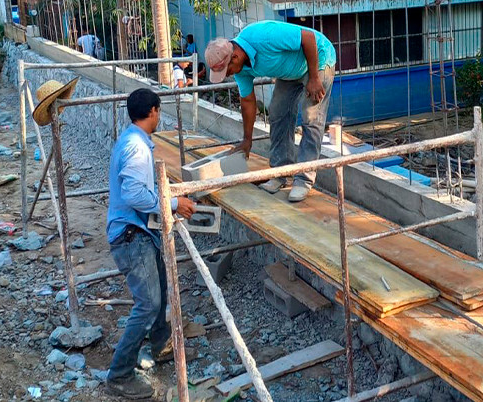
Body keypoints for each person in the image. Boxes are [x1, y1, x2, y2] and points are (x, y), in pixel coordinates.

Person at [104, 88, 196, 399]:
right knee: (148, 304)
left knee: (160, 290)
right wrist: (173, 203)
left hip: (139, 231)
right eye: (159, 112)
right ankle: (119, 374)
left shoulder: (132, 140)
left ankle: (161, 345)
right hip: (131, 236)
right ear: (154, 111)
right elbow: (134, 195)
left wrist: (169, 199)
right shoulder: (136, 148)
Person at [205, 20, 336, 202]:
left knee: (311, 118)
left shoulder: (263, 36)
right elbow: (248, 101)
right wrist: (247, 140)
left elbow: (308, 38)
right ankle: (280, 173)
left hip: (317, 59)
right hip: (289, 71)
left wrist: (314, 77)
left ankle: (303, 179)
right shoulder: (241, 69)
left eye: (228, 71)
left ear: (234, 57)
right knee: (277, 113)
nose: (229, 75)